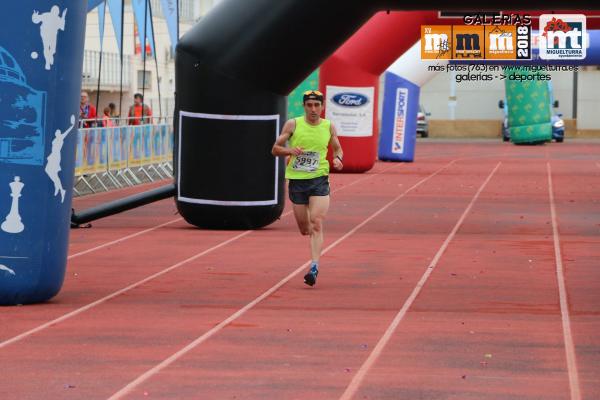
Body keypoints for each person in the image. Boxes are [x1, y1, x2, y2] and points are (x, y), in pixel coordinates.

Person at [272, 90, 343, 286]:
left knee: (317, 221)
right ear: (304, 106)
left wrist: (338, 158)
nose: (313, 109)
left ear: (322, 107)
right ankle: (312, 242)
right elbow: (275, 149)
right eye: (309, 105)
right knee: (305, 229)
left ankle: (314, 266)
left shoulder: (328, 126)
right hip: (297, 181)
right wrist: (289, 150)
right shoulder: (293, 124)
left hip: (319, 179)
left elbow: (337, 148)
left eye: (317, 105)